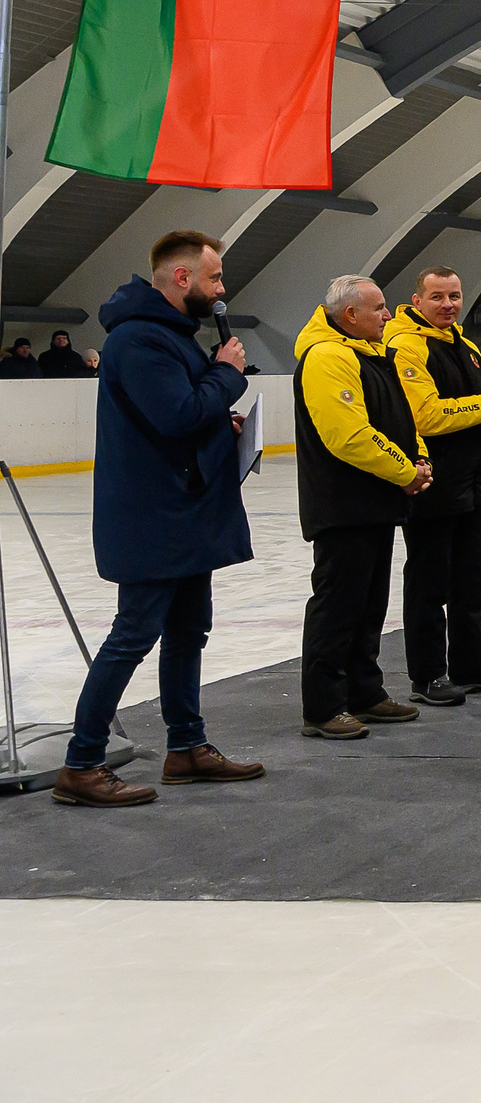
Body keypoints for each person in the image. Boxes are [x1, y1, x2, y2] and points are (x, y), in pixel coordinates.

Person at [54, 231, 263, 808]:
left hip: (184, 513)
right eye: (214, 279)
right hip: (155, 518)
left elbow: (183, 419)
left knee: (189, 630)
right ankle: (82, 762)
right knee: (132, 636)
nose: (221, 291)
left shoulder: (168, 336)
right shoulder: (141, 340)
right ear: (181, 278)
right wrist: (226, 375)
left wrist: (222, 425)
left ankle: (187, 746)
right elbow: (175, 415)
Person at [292, 276, 430, 741]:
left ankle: (364, 692)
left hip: (372, 502)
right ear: (350, 315)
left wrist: (418, 459)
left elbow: (400, 418)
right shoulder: (329, 357)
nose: (388, 316)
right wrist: (404, 471)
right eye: (379, 308)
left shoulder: (366, 353)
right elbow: (348, 435)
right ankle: (324, 706)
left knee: (369, 605)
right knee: (338, 606)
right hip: (343, 505)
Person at [385, 268, 481, 707]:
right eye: (438, 296)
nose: (448, 304)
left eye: (455, 296)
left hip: (472, 481)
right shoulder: (407, 345)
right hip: (432, 483)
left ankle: (471, 666)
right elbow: (425, 417)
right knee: (429, 584)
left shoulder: (465, 345)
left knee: (472, 579)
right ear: (417, 300)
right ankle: (427, 676)